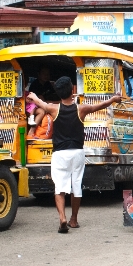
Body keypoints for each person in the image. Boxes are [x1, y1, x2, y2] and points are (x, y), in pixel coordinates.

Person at [27, 77, 121, 233]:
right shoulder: (81, 109)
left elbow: (39, 103)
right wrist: (113, 99)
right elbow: (100, 105)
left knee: (60, 188)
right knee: (76, 186)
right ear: (72, 90)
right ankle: (74, 220)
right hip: (77, 153)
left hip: (60, 154)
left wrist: (34, 97)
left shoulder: (53, 109)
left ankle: (62, 218)